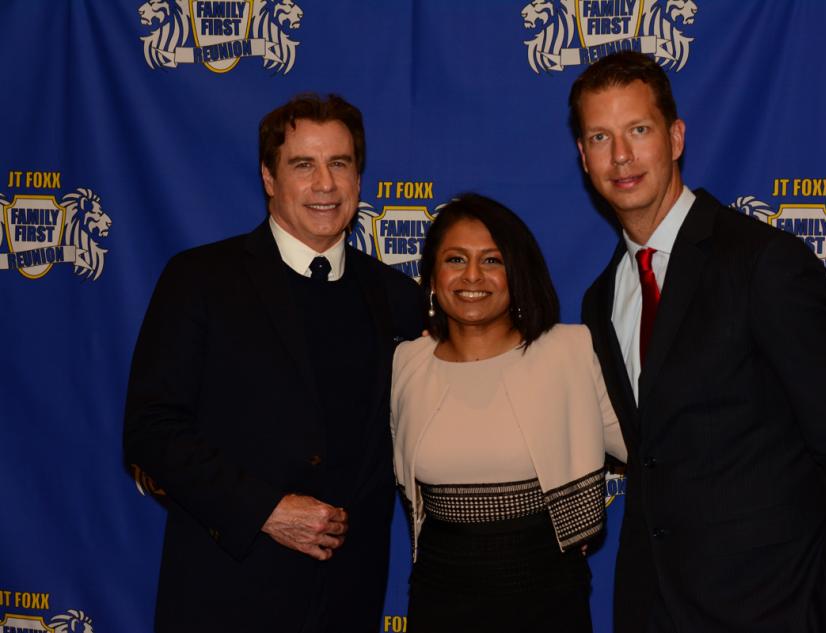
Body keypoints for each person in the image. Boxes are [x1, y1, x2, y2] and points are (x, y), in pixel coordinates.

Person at [571, 52, 826, 633]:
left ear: (675, 138)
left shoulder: (764, 263)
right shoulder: (602, 298)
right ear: (583, 156)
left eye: (638, 130)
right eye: (600, 137)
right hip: (654, 611)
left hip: (776, 608)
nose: (620, 156)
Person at [124, 94, 423, 632]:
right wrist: (265, 510)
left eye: (339, 164)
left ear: (359, 178)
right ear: (269, 177)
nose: (325, 184)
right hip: (226, 596)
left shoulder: (397, 296)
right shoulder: (200, 280)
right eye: (303, 165)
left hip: (348, 601)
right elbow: (151, 429)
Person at [390, 193, 626, 633]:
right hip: (439, 594)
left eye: (492, 260)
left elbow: (648, 452)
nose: (472, 275)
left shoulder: (568, 352)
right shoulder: (408, 362)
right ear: (432, 277)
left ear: (517, 274)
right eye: (455, 259)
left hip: (547, 593)